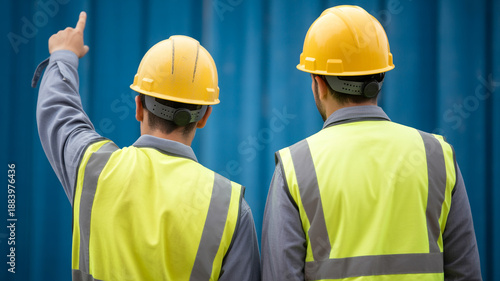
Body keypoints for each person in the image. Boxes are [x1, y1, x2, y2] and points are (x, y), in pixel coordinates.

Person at [32, 11, 260, 281]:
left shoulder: (93, 167)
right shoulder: (230, 208)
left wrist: (64, 55)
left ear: (139, 107)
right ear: (204, 117)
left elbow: (58, 111)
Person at [261, 5, 482, 281]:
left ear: (318, 82)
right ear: (381, 77)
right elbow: (466, 273)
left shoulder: (295, 167)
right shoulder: (438, 156)